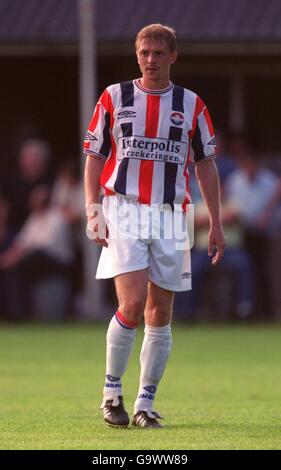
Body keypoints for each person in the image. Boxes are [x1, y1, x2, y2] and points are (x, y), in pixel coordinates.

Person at [83, 24, 225, 428]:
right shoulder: (114, 97)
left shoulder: (192, 105)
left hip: (172, 214)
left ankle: (145, 404)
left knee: (159, 313)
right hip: (124, 209)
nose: (150, 59)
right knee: (131, 303)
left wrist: (215, 223)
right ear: (137, 55)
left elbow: (205, 165)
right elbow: (94, 155)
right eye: (144, 52)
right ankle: (112, 395)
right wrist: (93, 209)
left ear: (172, 57)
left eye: (158, 53)